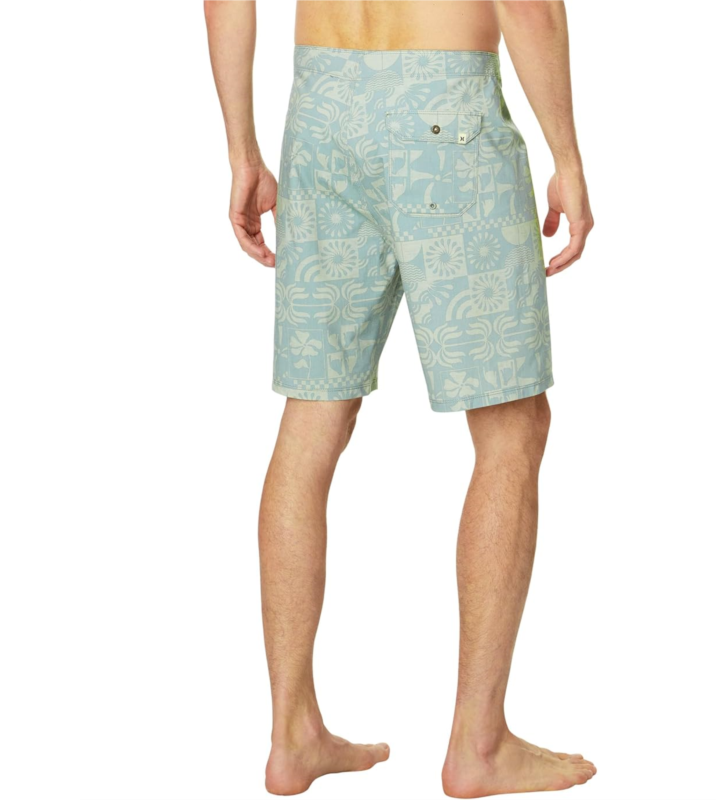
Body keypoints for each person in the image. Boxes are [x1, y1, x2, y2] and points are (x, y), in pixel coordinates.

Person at [204, 0, 595, 795]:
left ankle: (291, 734)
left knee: (313, 415)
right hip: (444, 113)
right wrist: (569, 157)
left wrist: (242, 147)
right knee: (511, 423)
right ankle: (479, 746)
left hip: (321, 106)